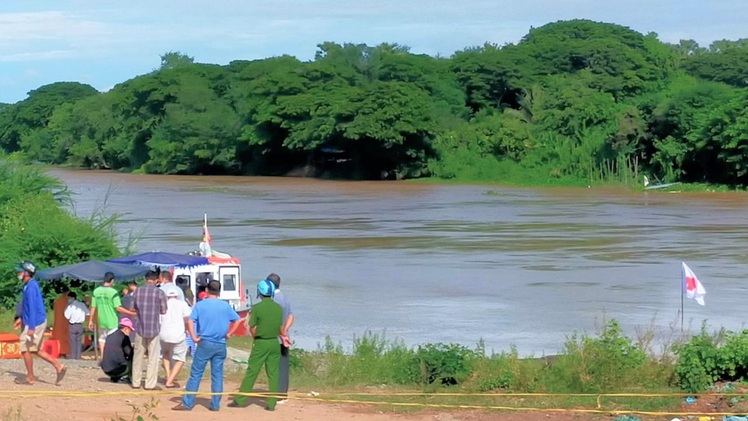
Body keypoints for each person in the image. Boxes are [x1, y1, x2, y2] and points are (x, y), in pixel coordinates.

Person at [173, 280, 240, 412]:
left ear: (207, 291)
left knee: (196, 373)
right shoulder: (225, 306)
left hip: (205, 343)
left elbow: (191, 320)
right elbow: (237, 320)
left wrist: (193, 337)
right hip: (220, 344)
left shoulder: (200, 305)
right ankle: (215, 404)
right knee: (217, 374)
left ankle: (187, 403)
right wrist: (229, 334)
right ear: (219, 292)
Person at [229, 279, 284, 411]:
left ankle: (240, 400)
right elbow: (280, 327)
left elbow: (252, 327)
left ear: (259, 292)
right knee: (273, 373)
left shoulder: (257, 308)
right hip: (274, 342)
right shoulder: (278, 308)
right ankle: (271, 403)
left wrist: (256, 338)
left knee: (252, 371)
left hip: (261, 342)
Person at [14, 260, 67, 385]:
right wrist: (21, 318)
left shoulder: (31, 287)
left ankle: (30, 377)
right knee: (35, 349)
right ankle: (59, 366)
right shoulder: (27, 285)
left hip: (35, 322)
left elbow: (32, 308)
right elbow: (27, 307)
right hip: (33, 321)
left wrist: (31, 327)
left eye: (21, 271)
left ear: (27, 273)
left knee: (24, 348)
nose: (18, 273)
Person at [131, 270, 168, 390]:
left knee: (138, 356)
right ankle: (149, 384)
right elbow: (164, 311)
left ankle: (135, 382)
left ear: (145, 278)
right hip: (154, 328)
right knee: (153, 357)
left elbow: (133, 309)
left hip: (140, 327)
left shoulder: (137, 291)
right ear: (156, 279)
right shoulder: (160, 293)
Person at [89, 272, 136, 356]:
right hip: (112, 320)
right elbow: (118, 307)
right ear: (112, 280)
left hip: (101, 320)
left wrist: (90, 320)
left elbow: (93, 307)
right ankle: (111, 358)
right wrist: (131, 313)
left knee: (102, 339)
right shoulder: (113, 292)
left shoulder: (96, 291)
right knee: (113, 341)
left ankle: (103, 357)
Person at [267, 273, 294, 403]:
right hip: (285, 337)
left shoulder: (272, 300)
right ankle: (283, 393)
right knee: (283, 365)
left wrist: (280, 332)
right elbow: (291, 316)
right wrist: (285, 330)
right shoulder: (285, 298)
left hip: (274, 338)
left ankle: (275, 393)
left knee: (274, 366)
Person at [160, 288, 192, 388]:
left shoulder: (162, 304)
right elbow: (187, 318)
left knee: (165, 353)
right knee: (180, 359)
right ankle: (170, 380)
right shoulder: (182, 304)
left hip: (163, 333)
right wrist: (187, 329)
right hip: (178, 333)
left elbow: (159, 320)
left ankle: (168, 375)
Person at [101, 318, 135, 383]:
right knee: (131, 360)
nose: (130, 332)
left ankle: (114, 377)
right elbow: (129, 353)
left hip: (105, 368)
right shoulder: (124, 338)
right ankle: (124, 377)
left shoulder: (110, 335)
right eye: (130, 330)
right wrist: (133, 349)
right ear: (126, 328)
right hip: (118, 369)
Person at [63, 291, 90, 360]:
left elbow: (66, 316)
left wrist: (66, 307)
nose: (68, 300)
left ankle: (73, 356)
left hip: (72, 325)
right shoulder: (82, 305)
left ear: (72, 298)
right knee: (79, 341)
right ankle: (78, 356)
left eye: (69, 298)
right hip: (80, 325)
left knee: (72, 341)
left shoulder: (70, 306)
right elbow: (87, 313)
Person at [52, 288, 71, 358]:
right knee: (65, 337)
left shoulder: (57, 300)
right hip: (65, 322)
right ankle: (64, 351)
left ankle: (58, 351)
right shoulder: (67, 301)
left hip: (57, 322)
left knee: (58, 337)